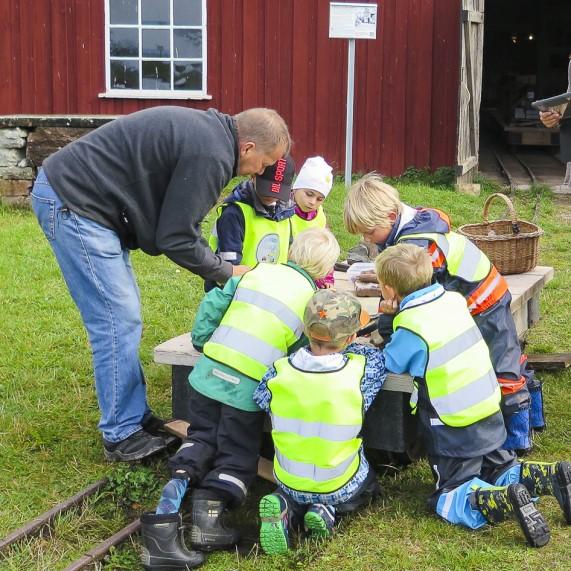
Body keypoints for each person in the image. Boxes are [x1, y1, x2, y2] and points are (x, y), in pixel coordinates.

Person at [30, 106, 291, 462]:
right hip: (75, 202)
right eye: (264, 162)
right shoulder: (211, 154)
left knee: (123, 315)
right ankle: (121, 434)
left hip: (88, 201)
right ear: (247, 148)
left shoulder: (212, 138)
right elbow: (176, 237)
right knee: (116, 319)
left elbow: (178, 222)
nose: (262, 171)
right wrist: (226, 272)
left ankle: (133, 416)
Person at [139, 228, 341, 569]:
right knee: (236, 453)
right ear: (324, 271)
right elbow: (297, 354)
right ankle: (208, 520)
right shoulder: (310, 300)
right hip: (244, 389)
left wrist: (204, 340)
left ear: (291, 252)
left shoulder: (257, 272)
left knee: (201, 438)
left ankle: (163, 523)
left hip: (207, 375)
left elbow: (214, 302)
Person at [374, 243, 571, 548]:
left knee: (451, 492)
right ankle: (549, 476)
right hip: (488, 407)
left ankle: (502, 500)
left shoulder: (411, 324)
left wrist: (388, 321)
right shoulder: (454, 300)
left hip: (453, 424)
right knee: (500, 465)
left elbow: (393, 362)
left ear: (388, 289)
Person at [343, 173, 542, 453]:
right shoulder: (414, 222)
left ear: (389, 215)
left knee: (503, 368)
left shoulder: (419, 248)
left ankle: (516, 440)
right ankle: (533, 417)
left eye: (369, 231)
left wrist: (392, 317)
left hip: (484, 303)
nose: (367, 239)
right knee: (507, 356)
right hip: (473, 296)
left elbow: (422, 304)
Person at [252, 289, 386, 555]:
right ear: (351, 337)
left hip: (289, 479)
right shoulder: (362, 369)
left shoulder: (279, 370)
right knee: (367, 484)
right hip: (340, 484)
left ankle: (285, 505)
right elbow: (378, 360)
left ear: (305, 329)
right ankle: (326, 511)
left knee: (295, 486)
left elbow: (261, 398)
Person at [205, 154, 296, 291]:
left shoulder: (286, 212)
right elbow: (228, 264)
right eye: (267, 189)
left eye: (277, 193)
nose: (271, 196)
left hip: (271, 291)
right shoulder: (234, 213)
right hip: (237, 291)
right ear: (253, 175)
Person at [290, 156, 335, 288]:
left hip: (311, 277)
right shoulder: (282, 211)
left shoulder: (320, 217)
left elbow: (324, 251)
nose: (312, 202)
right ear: (296, 187)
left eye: (320, 199)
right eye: (309, 194)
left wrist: (327, 278)